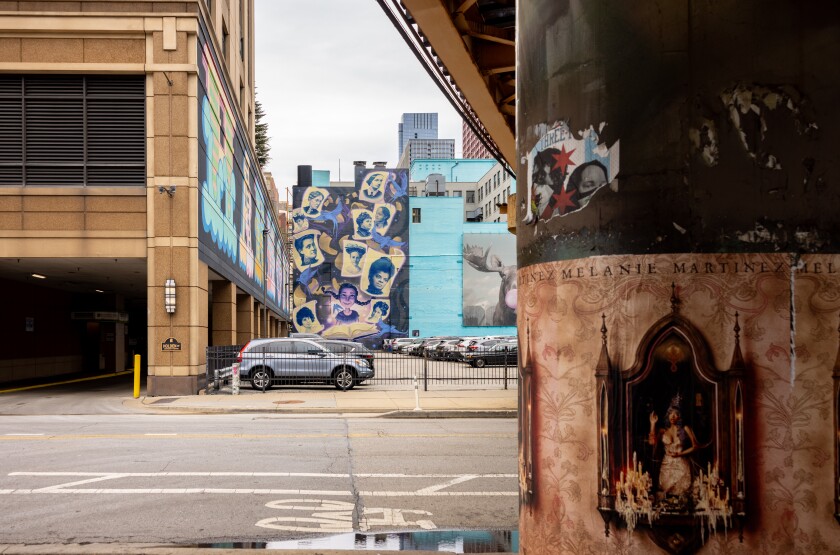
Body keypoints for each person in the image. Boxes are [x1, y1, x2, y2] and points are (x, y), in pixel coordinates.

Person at [648, 402, 699, 501]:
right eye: (671, 413)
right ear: (668, 415)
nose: (673, 416)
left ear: (679, 416)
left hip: (682, 467)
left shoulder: (685, 429)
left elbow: (695, 446)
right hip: (666, 467)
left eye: (676, 413)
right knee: (667, 496)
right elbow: (651, 442)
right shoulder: (663, 431)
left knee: (682, 496)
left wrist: (680, 454)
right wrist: (652, 424)